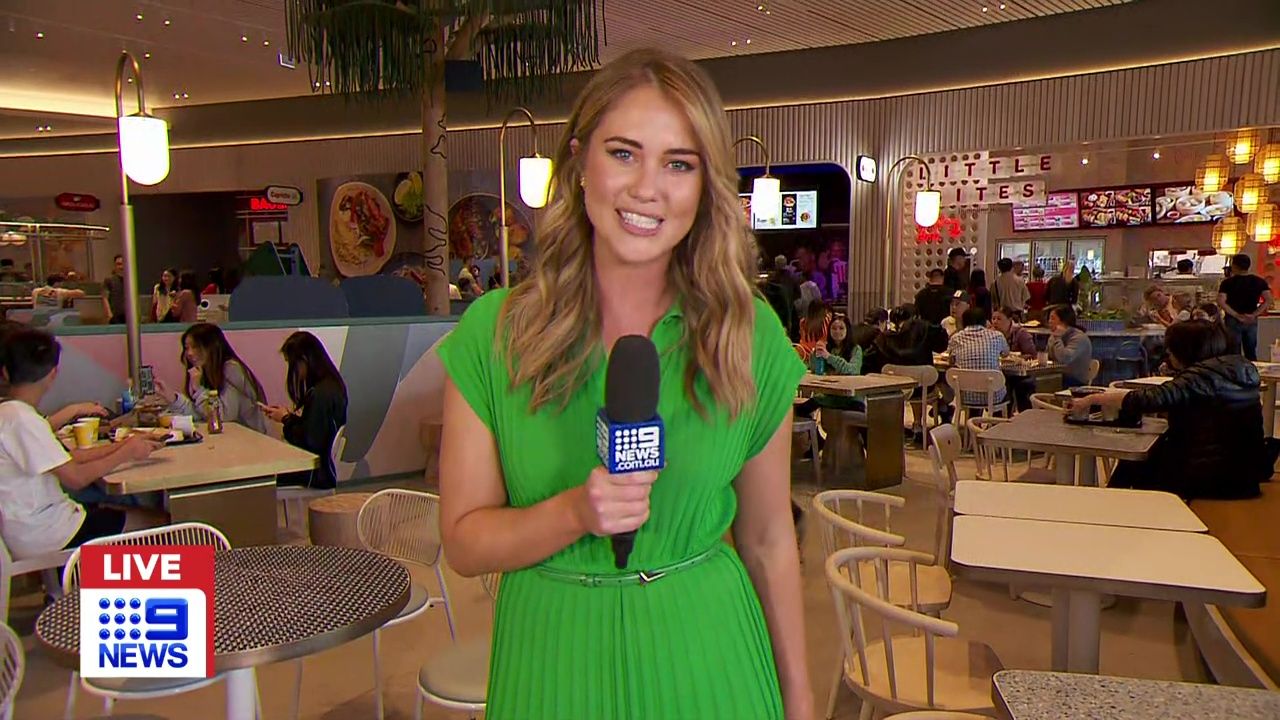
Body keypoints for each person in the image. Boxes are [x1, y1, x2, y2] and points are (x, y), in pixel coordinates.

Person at [434, 48, 812, 720]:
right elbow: (463, 544)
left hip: (711, 664)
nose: (647, 188)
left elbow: (767, 540)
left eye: (678, 164)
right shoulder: (496, 333)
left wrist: (801, 702)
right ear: (579, 162)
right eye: (623, 153)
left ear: (705, 186)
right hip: (550, 665)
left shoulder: (746, 333)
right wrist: (575, 513)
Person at [0, 328, 165, 560]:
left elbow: (69, 459)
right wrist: (126, 452)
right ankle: (120, 580)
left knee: (118, 509)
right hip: (50, 533)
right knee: (163, 523)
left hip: (33, 528)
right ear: (53, 373)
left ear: (5, 372)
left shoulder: (10, 413)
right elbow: (76, 478)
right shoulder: (22, 419)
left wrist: (125, 444)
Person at [1072, 320, 1268, 500]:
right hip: (1246, 475)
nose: (1168, 356)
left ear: (1184, 351)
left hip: (1210, 477)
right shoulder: (1239, 368)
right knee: (1139, 461)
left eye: (1171, 351)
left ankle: (1110, 509)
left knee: (1133, 463)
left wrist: (1093, 398)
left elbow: (1147, 399)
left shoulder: (1198, 378)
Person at [260, 332, 348, 489]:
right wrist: (287, 417)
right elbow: (315, 429)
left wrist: (286, 420)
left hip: (315, 473)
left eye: (292, 364)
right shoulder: (331, 387)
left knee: (262, 474)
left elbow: (309, 442)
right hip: (323, 470)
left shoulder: (320, 395)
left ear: (304, 360)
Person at [157, 323, 268, 433]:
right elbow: (201, 414)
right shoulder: (204, 372)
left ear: (211, 347)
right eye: (187, 348)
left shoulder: (231, 368)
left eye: (196, 347)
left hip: (249, 437)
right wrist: (174, 399)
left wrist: (199, 390)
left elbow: (223, 417)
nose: (189, 353)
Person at [947, 308, 1009, 408]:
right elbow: (1005, 354)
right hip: (994, 397)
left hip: (965, 396)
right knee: (1008, 383)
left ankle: (972, 416)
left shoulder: (956, 338)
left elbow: (951, 360)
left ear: (963, 322)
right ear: (985, 322)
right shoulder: (997, 336)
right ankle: (998, 417)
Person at [1218, 253, 1272, 361]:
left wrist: (1236, 315)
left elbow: (1221, 301)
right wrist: (1254, 314)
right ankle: (1251, 370)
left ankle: (1234, 371)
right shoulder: (1259, 281)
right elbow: (1268, 300)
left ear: (1234, 266)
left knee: (1233, 352)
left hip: (1232, 319)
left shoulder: (1227, 283)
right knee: (1251, 351)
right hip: (1251, 319)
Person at [877, 304, 949, 367]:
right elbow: (941, 346)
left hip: (894, 376)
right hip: (922, 375)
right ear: (915, 317)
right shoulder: (924, 328)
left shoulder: (884, 337)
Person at [1047, 305, 1093, 387]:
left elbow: (1064, 359)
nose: (1049, 321)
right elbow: (1048, 356)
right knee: (1029, 383)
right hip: (1057, 374)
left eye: (1053, 318)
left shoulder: (1079, 338)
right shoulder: (1054, 335)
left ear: (1063, 322)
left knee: (1036, 384)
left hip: (1075, 380)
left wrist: (1057, 338)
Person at [102, 254, 127, 324]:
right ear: (115, 266)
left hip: (129, 316)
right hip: (115, 316)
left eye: (123, 264)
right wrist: (109, 314)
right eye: (118, 264)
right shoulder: (109, 280)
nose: (121, 267)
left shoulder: (130, 281)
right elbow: (105, 298)